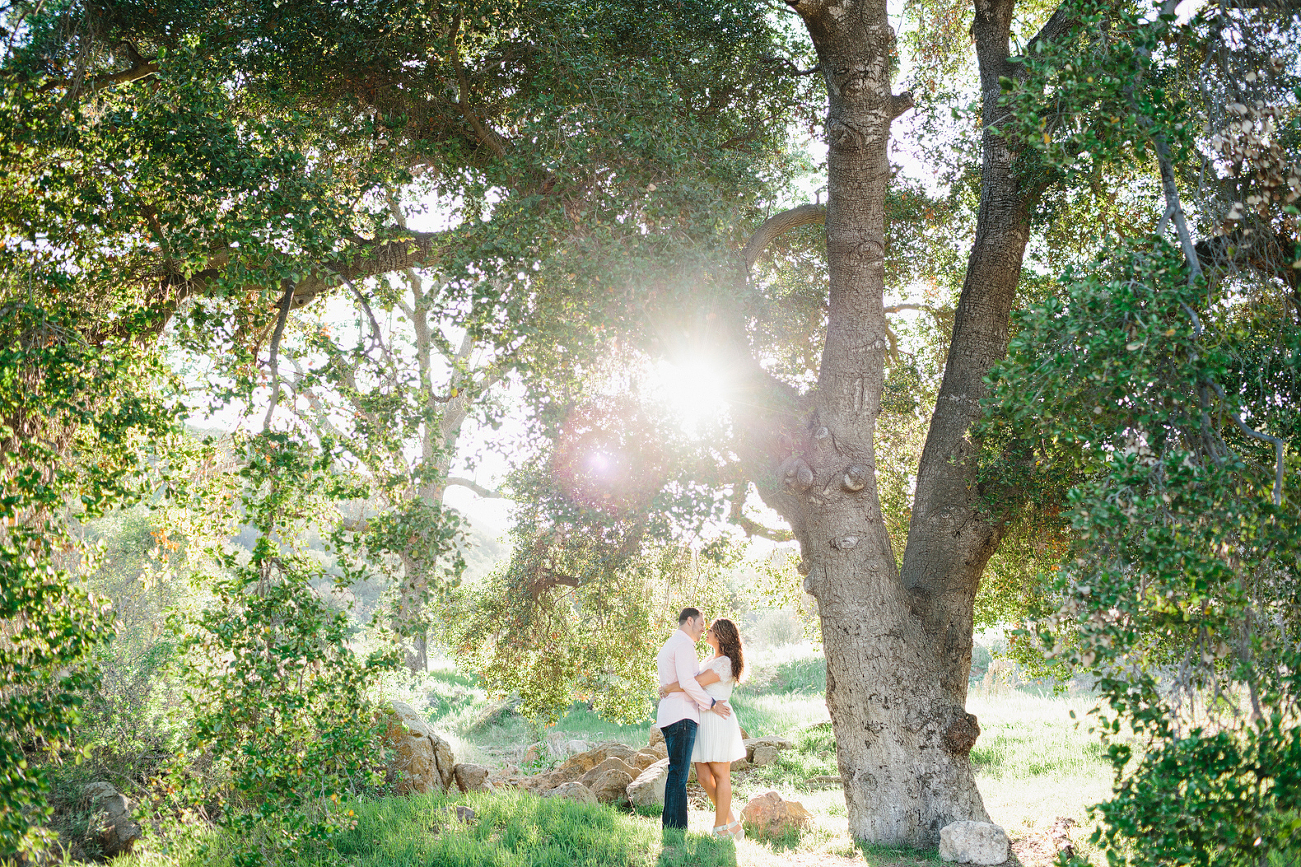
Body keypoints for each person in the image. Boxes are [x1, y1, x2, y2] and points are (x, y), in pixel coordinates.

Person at [660, 617, 746, 840]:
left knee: (721, 773)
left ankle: (720, 828)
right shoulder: (711, 658)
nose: (706, 632)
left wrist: (670, 687)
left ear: (720, 635)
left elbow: (695, 682)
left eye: (711, 630)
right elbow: (692, 679)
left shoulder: (725, 663)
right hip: (703, 717)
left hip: (718, 718)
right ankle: (733, 823)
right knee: (703, 776)